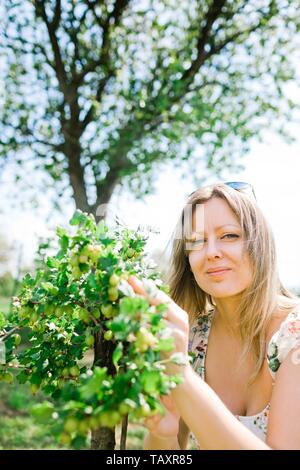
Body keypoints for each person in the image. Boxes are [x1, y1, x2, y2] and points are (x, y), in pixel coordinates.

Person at [128, 182, 300, 450]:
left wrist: (181, 374)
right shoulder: (191, 339)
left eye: (229, 235)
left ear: (260, 244)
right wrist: (164, 434)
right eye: (196, 241)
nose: (211, 253)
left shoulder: (294, 335)